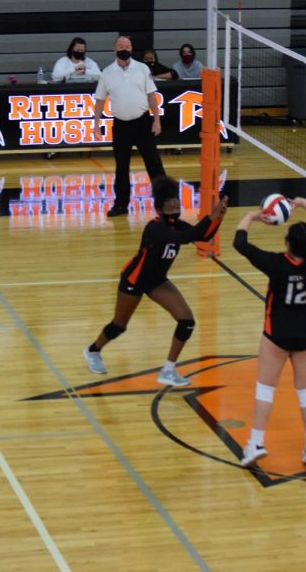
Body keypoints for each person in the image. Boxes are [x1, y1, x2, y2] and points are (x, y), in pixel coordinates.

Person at [83, 176, 227, 386]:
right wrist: (210, 217)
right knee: (119, 325)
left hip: (157, 281)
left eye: (176, 206)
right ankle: (93, 351)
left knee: (186, 322)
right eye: (170, 208)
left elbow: (202, 236)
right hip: (134, 280)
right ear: (160, 209)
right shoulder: (155, 228)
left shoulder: (177, 224)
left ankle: (168, 371)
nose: (174, 211)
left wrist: (218, 217)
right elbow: (186, 238)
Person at [233, 197, 306, 467]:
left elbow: (239, 243)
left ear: (287, 244)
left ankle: (256, 443)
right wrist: (304, 203)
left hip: (276, 335)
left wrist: (254, 217)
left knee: (265, 390)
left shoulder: (275, 263)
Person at [93, 36, 166, 217]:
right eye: (120, 46)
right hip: (120, 127)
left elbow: (151, 96)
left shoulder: (142, 69)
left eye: (127, 46)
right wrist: (96, 125)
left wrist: (156, 120)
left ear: (131, 49)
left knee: (154, 164)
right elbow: (100, 100)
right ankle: (121, 204)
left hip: (143, 123)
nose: (124, 48)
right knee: (121, 167)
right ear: (114, 49)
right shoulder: (107, 73)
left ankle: (165, 202)